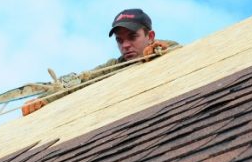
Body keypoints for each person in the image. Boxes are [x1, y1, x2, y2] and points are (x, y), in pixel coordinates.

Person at [22, 8, 178, 115]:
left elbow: (178, 51)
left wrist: (159, 51)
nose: (125, 45)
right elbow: (81, 81)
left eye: (132, 37)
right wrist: (44, 100)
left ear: (150, 36)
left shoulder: (166, 49)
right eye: (120, 40)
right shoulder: (114, 66)